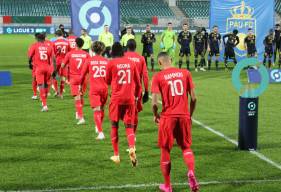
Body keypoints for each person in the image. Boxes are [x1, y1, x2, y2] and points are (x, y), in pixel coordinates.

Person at [151, 52, 199, 192]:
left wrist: (155, 115)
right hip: (184, 116)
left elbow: (154, 103)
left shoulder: (158, 76)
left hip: (167, 117)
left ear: (159, 63)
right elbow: (194, 99)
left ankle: (167, 185)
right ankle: (190, 171)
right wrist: (189, 115)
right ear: (171, 60)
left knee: (165, 149)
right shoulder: (185, 73)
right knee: (186, 147)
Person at [106, 42, 142, 166]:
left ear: (112, 52)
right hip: (130, 99)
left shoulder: (111, 63)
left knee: (114, 126)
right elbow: (138, 82)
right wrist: (136, 97)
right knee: (129, 126)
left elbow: (107, 80)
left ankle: (116, 155)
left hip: (116, 99)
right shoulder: (131, 63)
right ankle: (132, 147)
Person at [80, 41, 109, 140]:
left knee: (96, 110)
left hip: (94, 88)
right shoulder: (107, 61)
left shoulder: (89, 61)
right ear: (103, 50)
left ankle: (100, 133)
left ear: (92, 49)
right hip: (104, 88)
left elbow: (82, 75)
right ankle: (98, 126)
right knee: (102, 109)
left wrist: (80, 86)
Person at [61, 38, 90, 125]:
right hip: (84, 78)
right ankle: (78, 113)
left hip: (74, 78)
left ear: (75, 44)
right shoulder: (86, 54)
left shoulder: (70, 54)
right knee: (81, 95)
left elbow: (62, 65)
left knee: (76, 97)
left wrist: (65, 75)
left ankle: (81, 117)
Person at [124, 39, 149, 137]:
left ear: (127, 46)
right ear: (135, 47)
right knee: (134, 113)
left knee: (125, 113)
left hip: (124, 89)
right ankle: (132, 135)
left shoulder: (123, 56)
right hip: (136, 90)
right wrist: (146, 91)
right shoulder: (141, 58)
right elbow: (145, 76)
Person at [28, 33, 56, 112]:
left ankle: (44, 105)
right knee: (46, 85)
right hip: (48, 68)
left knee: (40, 86)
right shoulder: (49, 46)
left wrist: (29, 63)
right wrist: (55, 70)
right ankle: (44, 100)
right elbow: (53, 59)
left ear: (37, 39)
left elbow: (30, 56)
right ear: (44, 39)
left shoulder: (35, 45)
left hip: (39, 68)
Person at [52, 30, 70, 98]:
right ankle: (61, 94)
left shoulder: (54, 42)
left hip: (56, 61)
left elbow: (53, 54)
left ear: (56, 35)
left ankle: (56, 91)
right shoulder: (67, 42)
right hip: (64, 61)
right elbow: (69, 53)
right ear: (62, 35)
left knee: (54, 76)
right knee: (63, 77)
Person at [28, 33, 40, 100]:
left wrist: (29, 64)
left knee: (35, 79)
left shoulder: (33, 46)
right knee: (45, 80)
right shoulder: (47, 45)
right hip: (47, 66)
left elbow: (30, 56)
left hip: (36, 66)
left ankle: (35, 94)